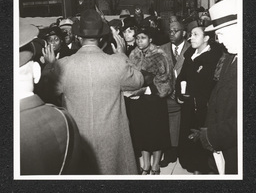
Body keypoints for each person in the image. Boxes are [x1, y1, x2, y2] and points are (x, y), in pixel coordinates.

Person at [42, 9, 144, 175]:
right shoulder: (116, 63)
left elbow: (46, 92)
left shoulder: (63, 65)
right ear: (102, 37)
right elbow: (138, 81)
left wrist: (50, 65)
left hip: (79, 141)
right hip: (112, 139)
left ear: (78, 37)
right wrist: (123, 55)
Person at [19, 24, 85, 175]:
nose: (54, 43)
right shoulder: (63, 119)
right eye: (51, 40)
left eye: (57, 39)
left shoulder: (71, 55)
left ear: (62, 41)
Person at [193, 0, 239, 174]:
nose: (218, 40)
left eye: (221, 34)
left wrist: (209, 136)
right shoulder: (230, 57)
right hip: (223, 148)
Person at [175, 19, 223, 174]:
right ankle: (190, 165)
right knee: (187, 137)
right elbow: (181, 77)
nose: (191, 38)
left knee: (199, 140)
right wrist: (179, 94)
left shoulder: (214, 58)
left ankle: (200, 169)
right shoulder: (190, 54)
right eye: (190, 35)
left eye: (196, 34)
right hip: (188, 104)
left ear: (207, 38)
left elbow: (210, 85)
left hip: (203, 107)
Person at [126, 27, 172, 175]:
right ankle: (145, 165)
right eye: (138, 38)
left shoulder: (159, 55)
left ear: (150, 39)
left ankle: (156, 165)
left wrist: (147, 89)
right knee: (142, 132)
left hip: (154, 100)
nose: (139, 41)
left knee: (156, 133)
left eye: (143, 38)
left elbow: (166, 81)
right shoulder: (133, 54)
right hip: (138, 101)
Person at [159, 16, 190, 167]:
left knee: (184, 125)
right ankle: (170, 152)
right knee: (168, 124)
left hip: (186, 95)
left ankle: (182, 152)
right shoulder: (162, 49)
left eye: (175, 31)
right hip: (167, 94)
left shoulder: (192, 48)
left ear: (184, 33)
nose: (171, 34)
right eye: (170, 31)